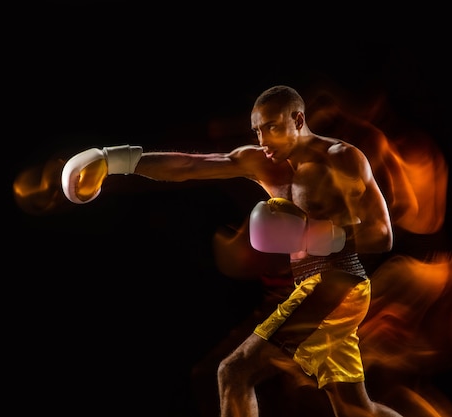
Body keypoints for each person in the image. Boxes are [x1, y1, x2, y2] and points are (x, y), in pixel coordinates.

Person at [59, 85, 403, 417]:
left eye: (272, 127)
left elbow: (381, 234)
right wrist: (114, 160)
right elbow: (191, 166)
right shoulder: (262, 161)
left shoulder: (341, 158)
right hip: (312, 285)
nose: (263, 140)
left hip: (338, 284)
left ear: (298, 120)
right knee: (358, 410)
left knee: (234, 372)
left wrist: (317, 235)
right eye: (257, 131)